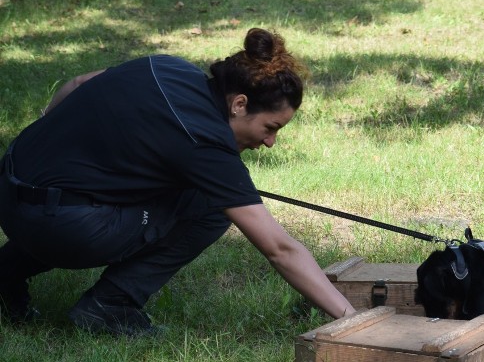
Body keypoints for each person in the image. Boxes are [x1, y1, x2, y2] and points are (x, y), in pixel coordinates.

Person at [0, 27, 357, 335]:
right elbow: (280, 249)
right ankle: (109, 306)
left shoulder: (166, 66)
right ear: (239, 104)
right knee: (212, 208)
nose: (269, 142)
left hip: (8, 188)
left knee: (165, 187)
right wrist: (350, 320)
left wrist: (45, 127)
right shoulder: (207, 144)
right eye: (270, 127)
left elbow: (78, 83)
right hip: (59, 228)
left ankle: (5, 274)